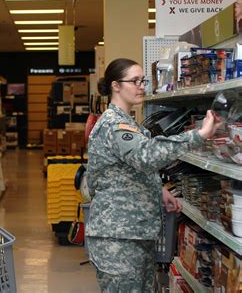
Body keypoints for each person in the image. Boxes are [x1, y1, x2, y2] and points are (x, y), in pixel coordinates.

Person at [85, 58, 221, 292]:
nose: (141, 86)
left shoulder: (128, 123)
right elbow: (145, 155)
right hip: (118, 240)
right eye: (134, 81)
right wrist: (197, 135)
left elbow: (125, 170)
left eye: (143, 80)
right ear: (116, 86)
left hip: (134, 234)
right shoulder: (113, 124)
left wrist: (158, 191)